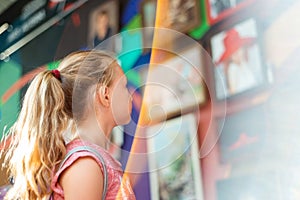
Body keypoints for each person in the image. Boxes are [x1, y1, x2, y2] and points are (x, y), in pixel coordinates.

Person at [1, 50, 136, 199]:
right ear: (105, 95)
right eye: (123, 86)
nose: (130, 93)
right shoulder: (86, 165)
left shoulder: (92, 160)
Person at [217, 28, 257, 95]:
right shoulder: (232, 68)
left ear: (243, 49)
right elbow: (233, 92)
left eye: (238, 50)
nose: (237, 54)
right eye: (233, 53)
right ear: (229, 57)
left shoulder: (244, 64)